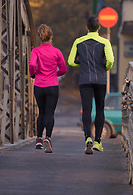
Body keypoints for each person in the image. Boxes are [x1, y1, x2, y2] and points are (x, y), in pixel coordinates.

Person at [68, 16, 114, 154]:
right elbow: (111, 60)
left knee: (86, 109)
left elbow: (70, 61)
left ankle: (87, 137)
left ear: (86, 28)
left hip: (85, 79)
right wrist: (104, 67)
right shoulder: (105, 42)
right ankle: (98, 141)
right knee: (100, 109)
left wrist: (82, 64)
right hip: (100, 80)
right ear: (99, 27)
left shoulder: (78, 41)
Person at [29, 24, 67, 153]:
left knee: (42, 112)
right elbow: (63, 69)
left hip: (39, 85)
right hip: (52, 85)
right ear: (51, 37)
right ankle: (48, 138)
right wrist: (55, 74)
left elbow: (32, 64)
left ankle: (39, 138)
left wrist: (33, 74)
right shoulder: (57, 51)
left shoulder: (35, 51)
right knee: (50, 113)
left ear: (41, 38)